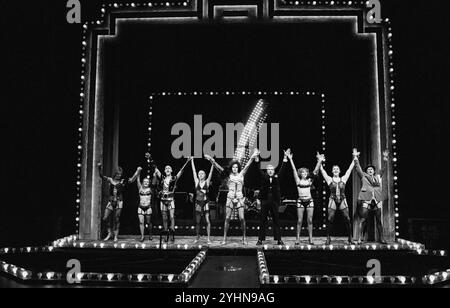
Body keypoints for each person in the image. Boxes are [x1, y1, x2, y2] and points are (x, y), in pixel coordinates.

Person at [206, 149, 260, 245]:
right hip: (230, 197)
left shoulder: (241, 174)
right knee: (227, 218)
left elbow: (248, 164)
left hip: (239, 197)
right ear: (231, 168)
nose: (235, 168)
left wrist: (254, 155)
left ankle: (244, 238)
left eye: (236, 167)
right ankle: (224, 239)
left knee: (242, 218)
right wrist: (211, 160)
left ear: (238, 168)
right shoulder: (228, 176)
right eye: (233, 167)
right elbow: (218, 167)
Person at [317, 151, 356, 245]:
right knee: (330, 219)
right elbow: (322, 171)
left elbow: (350, 169)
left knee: (347, 218)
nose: (335, 170)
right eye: (334, 169)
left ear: (339, 171)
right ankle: (328, 238)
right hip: (332, 199)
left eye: (337, 169)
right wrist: (319, 160)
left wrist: (354, 158)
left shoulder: (344, 178)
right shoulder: (329, 179)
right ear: (332, 171)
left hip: (343, 199)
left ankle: (350, 238)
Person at [285, 149, 322, 245]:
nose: (304, 174)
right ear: (300, 173)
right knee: (299, 220)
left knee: (310, 220)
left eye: (306, 172)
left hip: (309, 201)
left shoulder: (310, 181)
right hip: (300, 201)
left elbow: (316, 171)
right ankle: (297, 238)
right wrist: (290, 159)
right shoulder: (298, 180)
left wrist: (319, 161)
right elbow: (293, 169)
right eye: (303, 172)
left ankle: (310, 238)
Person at [354, 149, 389, 244]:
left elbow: (383, 170)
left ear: (374, 171)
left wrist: (385, 159)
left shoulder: (377, 177)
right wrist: (356, 158)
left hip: (377, 199)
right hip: (366, 199)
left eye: (372, 169)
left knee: (378, 219)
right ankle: (360, 238)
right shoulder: (363, 176)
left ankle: (382, 238)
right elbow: (358, 168)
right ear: (366, 171)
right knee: (363, 218)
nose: (370, 170)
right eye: (368, 169)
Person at [154, 158, 191, 243]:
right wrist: (150, 158)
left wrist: (187, 161)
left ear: (171, 170)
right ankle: (166, 233)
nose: (167, 169)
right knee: (164, 218)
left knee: (171, 216)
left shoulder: (174, 178)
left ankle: (172, 233)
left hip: (170, 200)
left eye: (169, 168)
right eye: (166, 168)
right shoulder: (162, 178)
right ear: (164, 170)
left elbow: (181, 170)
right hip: (163, 200)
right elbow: (155, 168)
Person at [255, 152, 288, 246]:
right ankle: (260, 239)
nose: (270, 171)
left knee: (276, 220)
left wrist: (285, 159)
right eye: (268, 169)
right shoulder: (264, 176)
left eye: (271, 169)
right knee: (263, 220)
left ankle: (279, 240)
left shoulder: (277, 177)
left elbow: (282, 170)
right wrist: (257, 159)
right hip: (265, 200)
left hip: (274, 201)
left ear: (274, 171)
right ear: (267, 170)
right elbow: (258, 170)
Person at [98, 164, 137, 242]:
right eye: (118, 174)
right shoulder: (110, 180)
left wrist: (136, 174)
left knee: (117, 218)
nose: (119, 175)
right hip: (111, 201)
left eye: (120, 174)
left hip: (119, 201)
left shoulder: (122, 181)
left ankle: (116, 235)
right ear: (115, 174)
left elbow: (131, 181)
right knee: (105, 218)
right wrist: (99, 168)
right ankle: (109, 233)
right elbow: (101, 176)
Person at [190, 157, 215, 244]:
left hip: (205, 202)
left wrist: (213, 163)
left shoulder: (207, 182)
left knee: (207, 221)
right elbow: (193, 170)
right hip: (198, 202)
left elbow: (211, 172)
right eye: (199, 173)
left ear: (205, 175)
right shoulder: (196, 181)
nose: (200, 174)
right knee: (197, 221)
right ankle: (197, 237)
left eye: (202, 173)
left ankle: (208, 238)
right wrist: (192, 160)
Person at [134, 165, 157, 242]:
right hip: (140, 207)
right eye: (144, 182)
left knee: (148, 222)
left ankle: (150, 234)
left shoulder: (150, 189)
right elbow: (137, 180)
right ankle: (142, 236)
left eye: (147, 182)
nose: (146, 183)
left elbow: (154, 181)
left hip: (148, 207)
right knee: (141, 222)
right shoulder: (140, 188)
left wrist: (155, 174)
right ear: (143, 182)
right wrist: (138, 172)